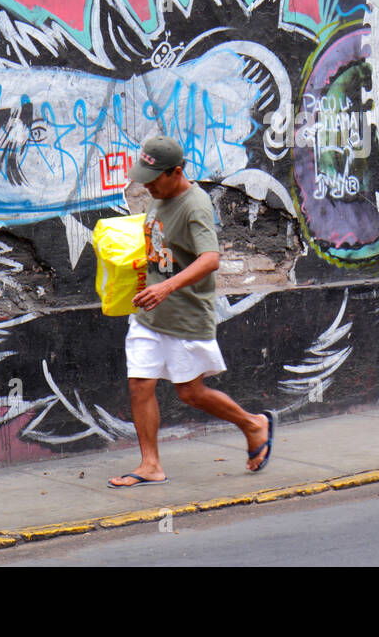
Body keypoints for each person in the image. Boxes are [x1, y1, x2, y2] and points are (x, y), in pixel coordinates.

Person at [107, 134, 276, 488]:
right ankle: (150, 464)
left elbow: (210, 259)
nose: (148, 186)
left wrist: (167, 286)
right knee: (140, 384)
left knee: (190, 392)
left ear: (176, 172)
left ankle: (253, 424)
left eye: (154, 179)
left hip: (183, 313)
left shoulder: (194, 204)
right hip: (149, 313)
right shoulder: (159, 197)